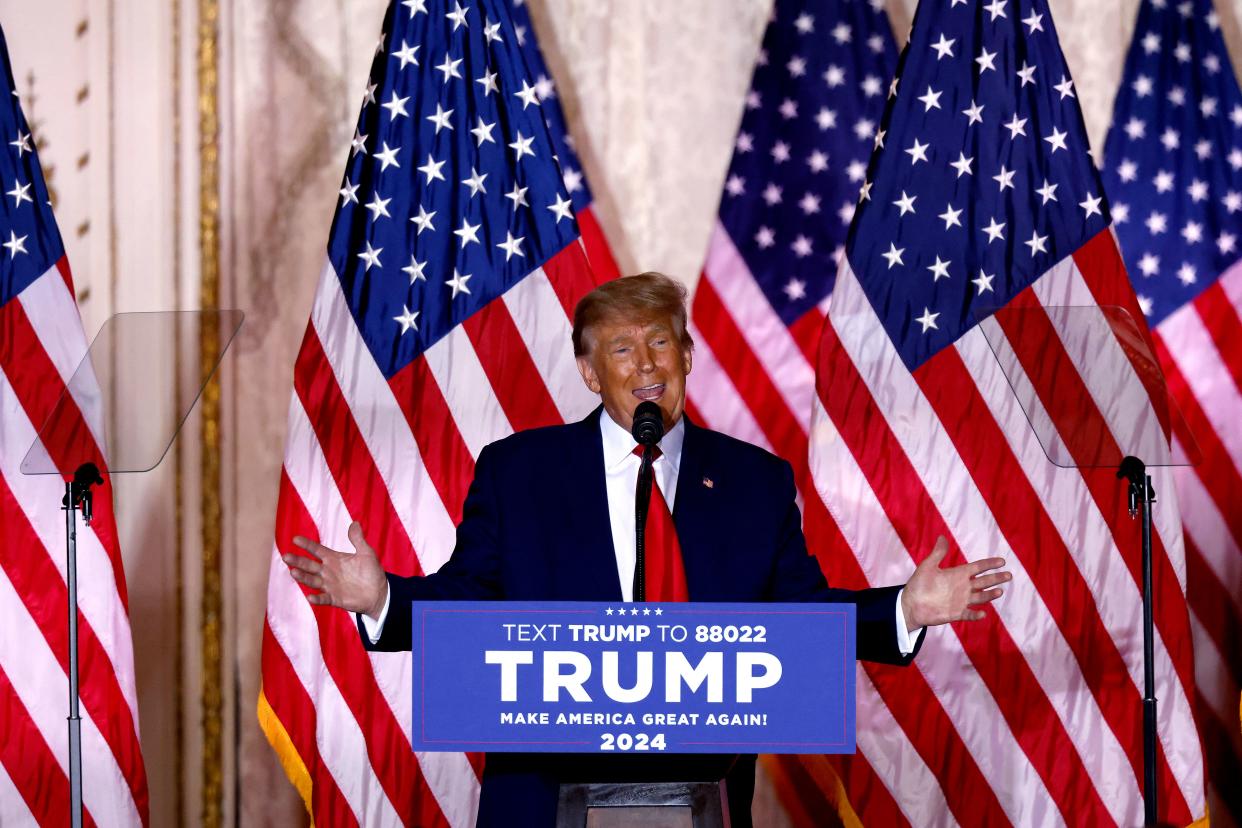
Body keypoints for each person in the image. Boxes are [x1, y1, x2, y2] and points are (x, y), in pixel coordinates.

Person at [283, 272, 1010, 827]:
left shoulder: (756, 482)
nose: (645, 364)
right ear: (592, 374)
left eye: (660, 340)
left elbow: (801, 617)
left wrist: (904, 610)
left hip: (699, 798)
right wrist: (383, 599)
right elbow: (470, 600)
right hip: (544, 801)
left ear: (687, 355)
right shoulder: (519, 472)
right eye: (621, 349)